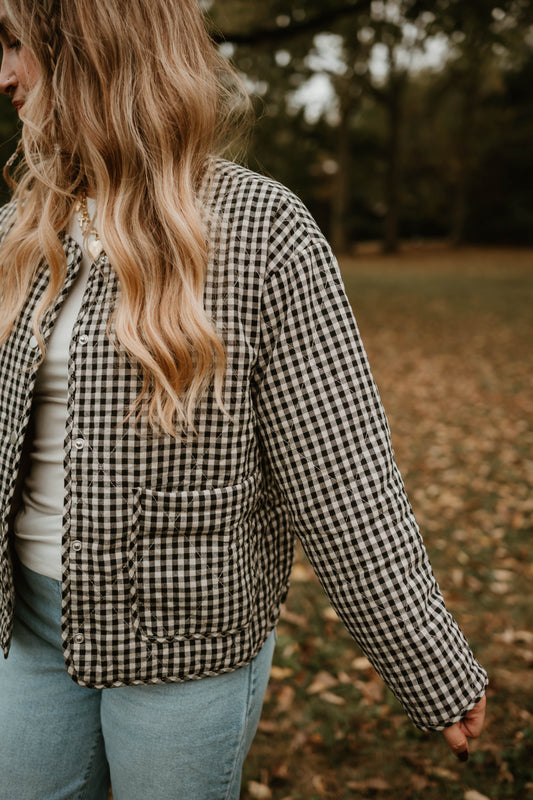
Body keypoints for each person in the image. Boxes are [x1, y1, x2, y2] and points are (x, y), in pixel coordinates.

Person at [0, 1, 487, 798]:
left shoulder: (262, 230)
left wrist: (426, 658)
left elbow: (340, 475)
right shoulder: (17, 233)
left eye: (20, 44)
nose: (5, 74)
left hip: (187, 646)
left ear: (92, 52)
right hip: (28, 631)